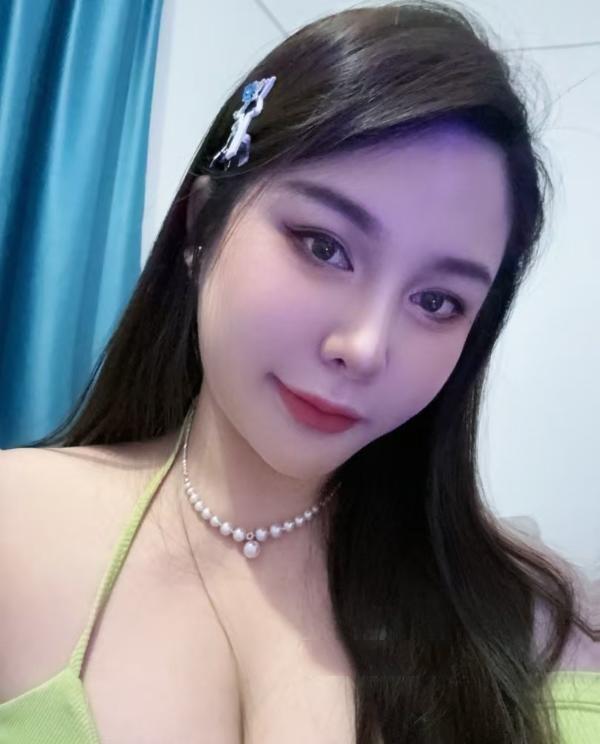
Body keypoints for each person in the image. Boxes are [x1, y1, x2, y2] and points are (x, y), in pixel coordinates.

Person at [1, 2, 598, 742]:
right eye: (323, 246)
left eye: (437, 301)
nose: (365, 347)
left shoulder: (540, 625)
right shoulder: (17, 522)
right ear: (201, 224)